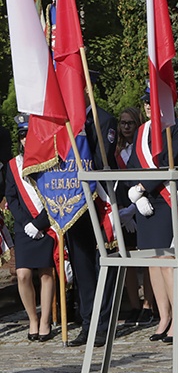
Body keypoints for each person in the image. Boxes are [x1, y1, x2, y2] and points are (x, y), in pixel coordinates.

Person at [128, 89, 178, 344]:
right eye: (145, 102)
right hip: (145, 200)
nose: (147, 106)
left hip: (167, 198)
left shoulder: (177, 127)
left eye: (152, 102)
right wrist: (139, 195)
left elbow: (171, 161)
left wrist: (144, 187)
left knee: (167, 261)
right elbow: (133, 164)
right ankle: (163, 317)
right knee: (152, 263)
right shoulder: (142, 132)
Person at [65, 88, 119, 347]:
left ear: (86, 90)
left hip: (98, 200)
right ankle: (87, 323)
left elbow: (103, 160)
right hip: (74, 201)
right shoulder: (65, 123)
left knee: (102, 265)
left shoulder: (103, 120)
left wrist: (85, 139)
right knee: (82, 266)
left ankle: (103, 325)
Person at [5, 114, 56, 341]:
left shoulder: (49, 161)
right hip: (24, 227)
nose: (26, 140)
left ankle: (45, 321)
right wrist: (26, 224)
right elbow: (11, 197)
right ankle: (32, 319)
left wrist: (40, 223)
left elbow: (55, 195)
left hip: (45, 225)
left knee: (46, 273)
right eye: (22, 136)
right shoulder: (13, 165)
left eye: (29, 135)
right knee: (23, 274)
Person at [115, 106, 155, 326]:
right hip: (124, 211)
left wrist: (133, 210)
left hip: (144, 206)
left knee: (149, 259)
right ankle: (134, 305)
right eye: (123, 123)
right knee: (127, 260)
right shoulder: (115, 151)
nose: (127, 127)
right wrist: (124, 213)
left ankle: (149, 305)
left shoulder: (144, 146)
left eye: (131, 123)